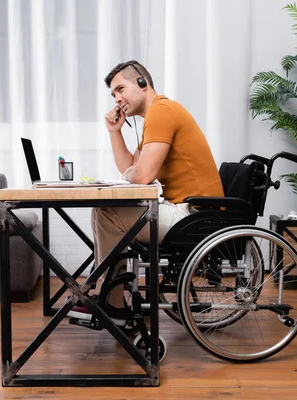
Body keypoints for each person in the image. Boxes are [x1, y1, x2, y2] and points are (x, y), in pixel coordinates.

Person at [68, 60, 224, 326]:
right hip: (187, 212)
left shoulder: (162, 111)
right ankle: (109, 298)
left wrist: (132, 174)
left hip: (195, 216)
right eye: (113, 95)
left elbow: (140, 176)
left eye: (120, 89)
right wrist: (114, 132)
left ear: (142, 82)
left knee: (107, 213)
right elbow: (129, 168)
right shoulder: (156, 116)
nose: (117, 99)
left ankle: (111, 303)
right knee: (103, 211)